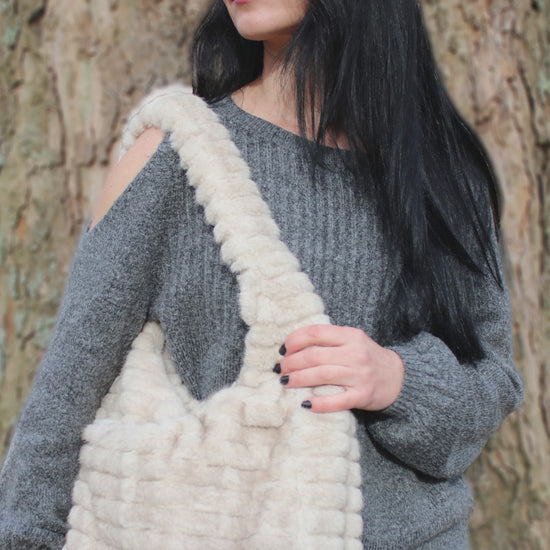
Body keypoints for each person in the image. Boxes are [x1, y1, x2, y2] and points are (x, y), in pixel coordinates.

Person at [0, 0, 523, 548]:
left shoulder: (444, 174)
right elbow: (62, 409)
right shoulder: (176, 155)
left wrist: (397, 380)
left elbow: (491, 383)